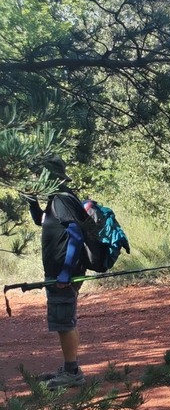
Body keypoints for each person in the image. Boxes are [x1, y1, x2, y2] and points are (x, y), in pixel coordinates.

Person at [27, 155, 89, 390]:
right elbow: (40, 221)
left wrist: (65, 272)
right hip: (59, 272)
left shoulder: (62, 199)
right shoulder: (56, 199)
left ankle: (72, 372)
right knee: (65, 319)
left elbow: (75, 234)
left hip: (64, 274)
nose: (36, 179)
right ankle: (69, 366)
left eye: (39, 175)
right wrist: (32, 201)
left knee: (63, 321)